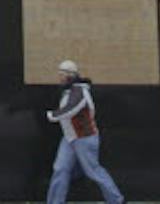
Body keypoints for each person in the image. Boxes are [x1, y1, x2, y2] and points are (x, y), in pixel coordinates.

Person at [46, 59, 125, 204]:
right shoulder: (70, 91)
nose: (60, 77)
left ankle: (116, 200)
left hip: (84, 138)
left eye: (62, 74)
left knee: (93, 171)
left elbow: (70, 109)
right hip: (70, 137)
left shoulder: (80, 91)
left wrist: (51, 115)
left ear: (70, 76)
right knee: (60, 169)